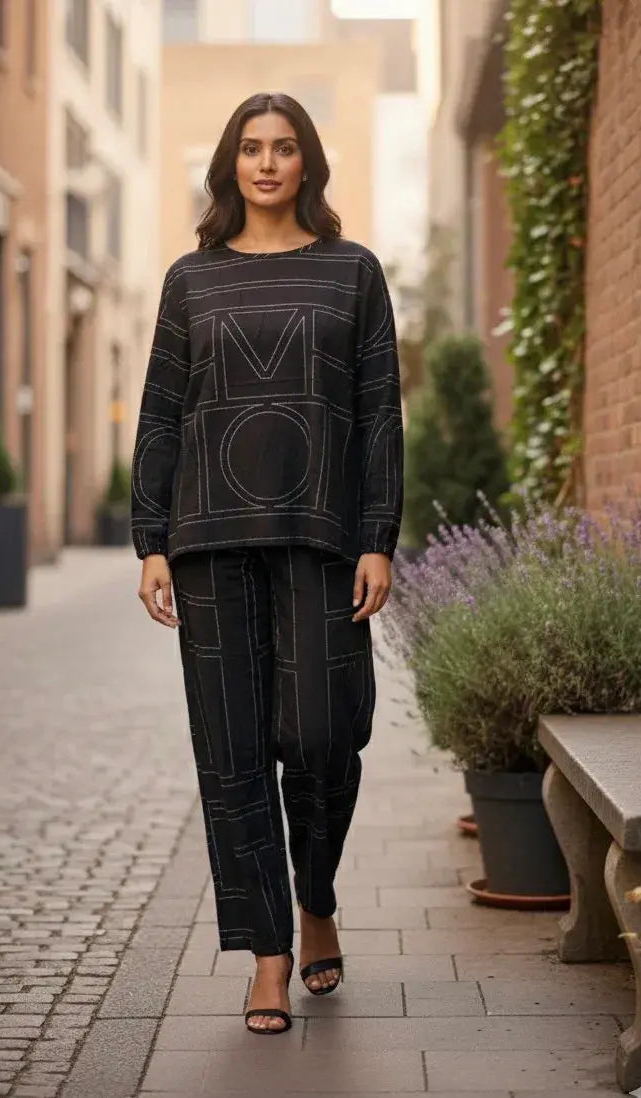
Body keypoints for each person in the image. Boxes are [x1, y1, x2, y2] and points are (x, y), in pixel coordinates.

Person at [130, 91, 403, 1036]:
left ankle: (316, 890)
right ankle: (269, 954)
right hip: (208, 539)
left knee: (326, 735)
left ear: (308, 163)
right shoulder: (191, 281)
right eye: (251, 148)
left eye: (285, 148)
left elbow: (379, 414)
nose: (268, 163)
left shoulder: (353, 272)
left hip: (323, 537)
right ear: (229, 164)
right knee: (233, 753)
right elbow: (163, 411)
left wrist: (378, 534)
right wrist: (150, 539)